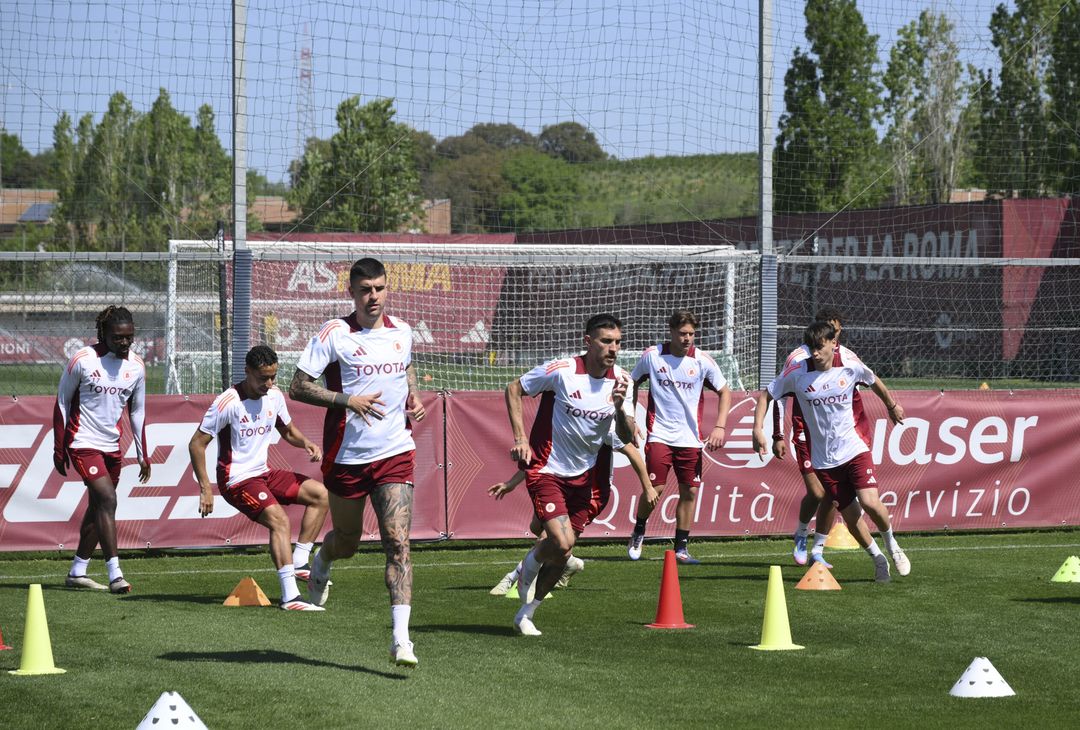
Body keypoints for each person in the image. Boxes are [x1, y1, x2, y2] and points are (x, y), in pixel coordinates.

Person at [288, 257, 427, 666]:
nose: (373, 297)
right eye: (365, 290)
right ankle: (323, 559)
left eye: (379, 288)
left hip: (395, 453)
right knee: (347, 542)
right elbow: (298, 386)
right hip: (347, 457)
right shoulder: (335, 333)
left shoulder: (402, 331)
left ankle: (401, 640)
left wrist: (413, 395)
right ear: (351, 292)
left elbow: (406, 366)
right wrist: (347, 400)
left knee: (398, 543)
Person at [505, 313, 656, 636]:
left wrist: (620, 408)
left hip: (585, 477)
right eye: (606, 341)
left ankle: (526, 614)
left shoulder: (623, 382)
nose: (613, 348)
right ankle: (528, 568)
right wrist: (520, 438)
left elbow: (626, 436)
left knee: (563, 551)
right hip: (547, 469)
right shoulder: (562, 371)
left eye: (618, 342)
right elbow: (514, 388)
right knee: (560, 542)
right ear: (588, 342)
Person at [751, 321, 911, 582]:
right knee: (851, 516)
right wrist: (758, 429)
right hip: (824, 460)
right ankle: (878, 558)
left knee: (869, 501)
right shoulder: (797, 373)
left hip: (854, 449)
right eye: (812, 348)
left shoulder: (849, 365)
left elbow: (874, 381)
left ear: (833, 344)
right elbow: (766, 396)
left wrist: (892, 406)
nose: (815, 353)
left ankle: (893, 546)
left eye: (820, 347)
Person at [189, 345, 330, 611]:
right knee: (280, 521)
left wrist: (306, 443)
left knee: (320, 495)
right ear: (247, 372)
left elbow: (288, 431)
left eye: (273, 377)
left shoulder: (274, 396)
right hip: (236, 481)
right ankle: (290, 597)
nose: (269, 383)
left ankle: (300, 560)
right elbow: (196, 443)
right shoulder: (228, 402)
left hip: (263, 473)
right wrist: (205, 488)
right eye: (263, 378)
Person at [53, 305, 151, 593]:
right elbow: (62, 402)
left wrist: (143, 454)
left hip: (112, 447)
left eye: (129, 337)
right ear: (103, 334)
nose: (125, 342)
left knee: (98, 508)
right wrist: (59, 448)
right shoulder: (82, 360)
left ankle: (77, 572)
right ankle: (115, 574)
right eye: (118, 337)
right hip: (82, 442)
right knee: (108, 500)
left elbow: (138, 411)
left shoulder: (136, 366)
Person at [626, 310, 732, 564]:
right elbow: (631, 382)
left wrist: (720, 426)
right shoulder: (653, 356)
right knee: (655, 489)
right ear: (672, 332)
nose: (687, 339)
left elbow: (725, 391)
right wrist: (630, 418)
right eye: (683, 333)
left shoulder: (702, 361)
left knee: (689, 493)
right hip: (660, 435)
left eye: (692, 334)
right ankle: (639, 530)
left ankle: (681, 548)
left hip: (690, 440)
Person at [773, 306, 852, 566]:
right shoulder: (798, 358)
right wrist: (777, 434)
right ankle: (801, 534)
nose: (834, 336)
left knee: (832, 494)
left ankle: (818, 549)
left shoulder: (845, 357)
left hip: (835, 437)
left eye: (837, 331)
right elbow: (777, 395)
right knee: (817, 492)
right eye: (830, 330)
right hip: (805, 432)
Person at [487, 470, 585, 594]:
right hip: (555, 484)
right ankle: (570, 562)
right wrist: (511, 483)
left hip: (582, 491)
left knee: (546, 538)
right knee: (536, 527)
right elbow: (533, 461)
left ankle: (512, 578)